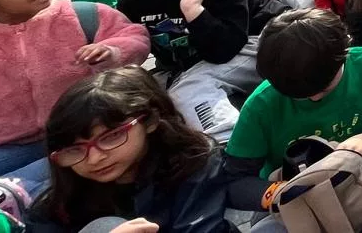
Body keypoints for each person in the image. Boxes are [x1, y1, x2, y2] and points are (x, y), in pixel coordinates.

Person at [220, 9, 362, 233]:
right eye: (299, 94)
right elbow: (234, 182)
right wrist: (278, 193)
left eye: (324, 88)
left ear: (344, 52)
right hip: (297, 202)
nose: (314, 96)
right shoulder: (261, 104)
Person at [0, 0, 150, 191]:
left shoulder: (83, 15)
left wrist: (112, 51)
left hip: (81, 135)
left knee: (21, 186)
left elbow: (134, 36)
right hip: (4, 144)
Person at [117, 0, 283, 140]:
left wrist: (194, 11)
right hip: (198, 59)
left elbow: (224, 51)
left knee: (190, 89)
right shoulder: (138, 1)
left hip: (265, 40)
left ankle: (228, 144)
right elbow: (129, 38)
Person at [28, 67, 235, 233]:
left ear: (151, 120)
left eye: (111, 137)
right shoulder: (62, 200)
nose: (94, 158)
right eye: (74, 149)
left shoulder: (192, 160)